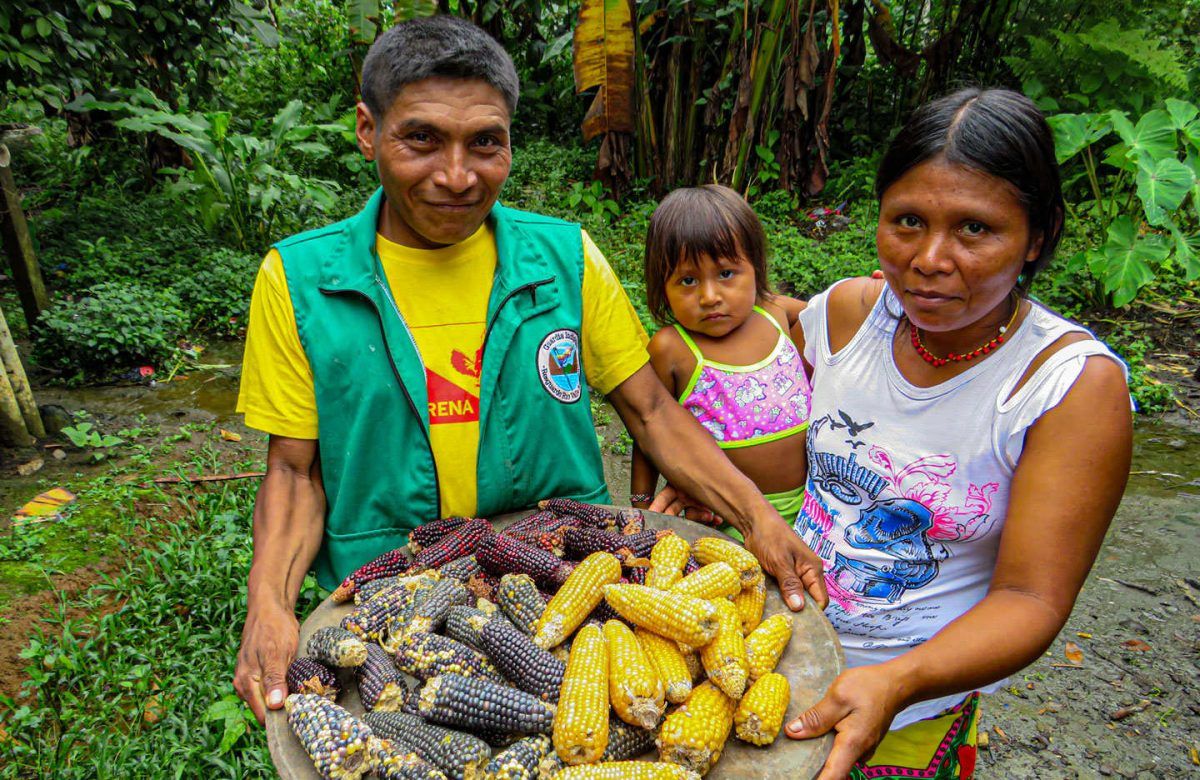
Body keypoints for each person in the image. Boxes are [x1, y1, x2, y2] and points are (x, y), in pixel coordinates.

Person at [232, 15, 827, 726]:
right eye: (421, 138)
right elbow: (294, 473)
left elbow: (651, 412)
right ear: (367, 130)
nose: (457, 176)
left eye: (485, 143)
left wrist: (757, 517)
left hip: (559, 598)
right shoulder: (300, 280)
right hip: (397, 618)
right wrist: (268, 605)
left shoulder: (564, 259)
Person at [780, 88, 1132, 780]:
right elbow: (810, 453)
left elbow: (1030, 599)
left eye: (975, 229)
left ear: (1037, 235)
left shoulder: (1065, 386)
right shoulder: (849, 315)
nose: (929, 258)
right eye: (907, 221)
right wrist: (718, 489)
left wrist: (901, 681)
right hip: (782, 651)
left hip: (911, 700)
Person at [631, 185, 812, 540]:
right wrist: (640, 507)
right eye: (687, 280)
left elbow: (838, 319)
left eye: (726, 274)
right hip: (720, 521)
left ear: (755, 268)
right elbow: (648, 428)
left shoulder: (778, 314)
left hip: (813, 507)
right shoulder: (672, 348)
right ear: (661, 286)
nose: (709, 296)